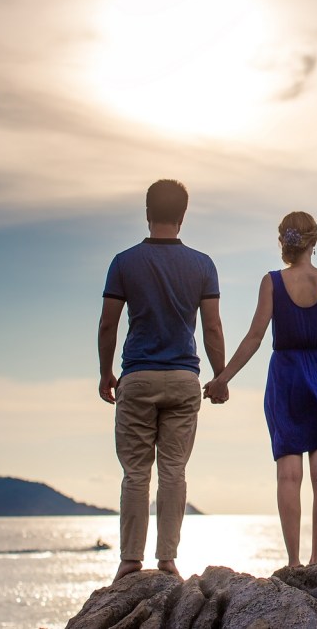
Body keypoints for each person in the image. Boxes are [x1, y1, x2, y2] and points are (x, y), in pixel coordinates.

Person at [204, 211, 317, 567]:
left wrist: (223, 378)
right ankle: (316, 561)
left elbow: (254, 337)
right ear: (315, 241)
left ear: (284, 241)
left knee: (288, 474)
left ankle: (292, 562)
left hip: (287, 375)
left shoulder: (272, 282)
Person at [97, 179, 225, 582]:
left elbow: (107, 324)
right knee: (174, 471)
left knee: (136, 472)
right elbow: (213, 328)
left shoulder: (124, 262)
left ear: (147, 212)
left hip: (137, 376)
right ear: (183, 215)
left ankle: (130, 560)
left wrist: (105, 372)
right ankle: (167, 559)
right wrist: (220, 377)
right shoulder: (203, 264)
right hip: (184, 378)